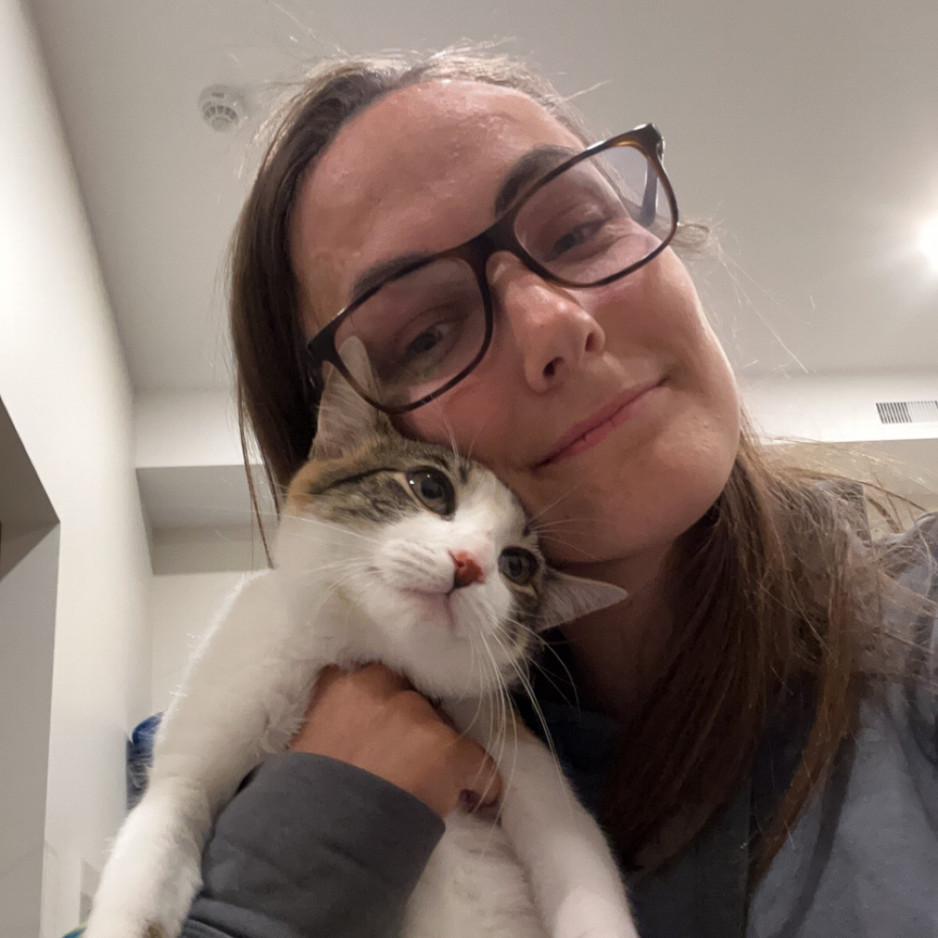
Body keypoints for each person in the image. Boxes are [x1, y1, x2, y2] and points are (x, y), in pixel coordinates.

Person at [178, 48, 937, 938]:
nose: (557, 323)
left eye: (579, 231)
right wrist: (286, 879)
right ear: (349, 440)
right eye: (426, 331)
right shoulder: (261, 757)